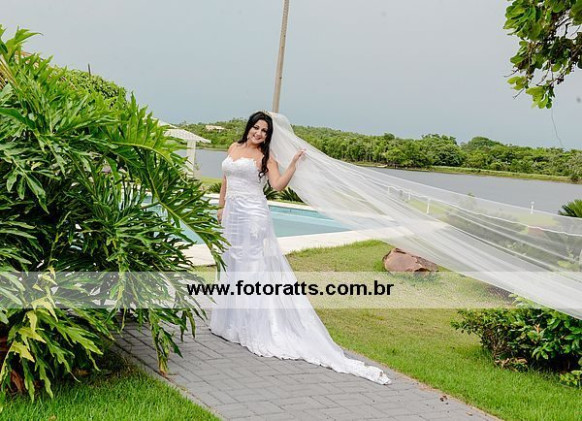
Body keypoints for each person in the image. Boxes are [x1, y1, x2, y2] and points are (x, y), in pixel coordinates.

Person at [209, 111, 391, 385]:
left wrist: (293, 164)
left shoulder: (266, 157)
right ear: (249, 127)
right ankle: (231, 322)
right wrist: (221, 206)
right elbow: (225, 179)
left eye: (264, 131)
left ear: (268, 136)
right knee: (232, 264)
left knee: (253, 269)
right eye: (256, 128)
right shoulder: (233, 147)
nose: (259, 133)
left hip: (253, 216)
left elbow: (278, 186)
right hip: (232, 215)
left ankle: (255, 326)